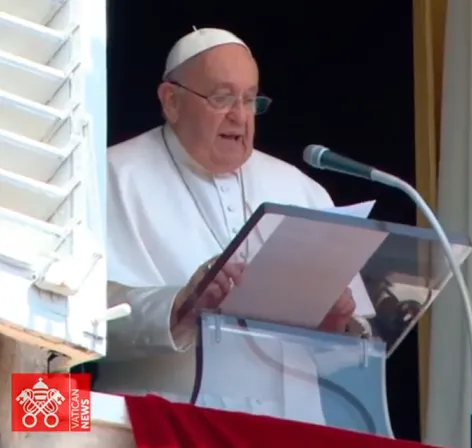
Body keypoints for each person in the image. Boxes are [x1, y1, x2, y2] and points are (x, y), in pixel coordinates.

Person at [96, 27, 369, 426]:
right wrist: (182, 306)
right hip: (164, 425)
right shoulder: (111, 177)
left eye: (249, 99)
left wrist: (336, 324)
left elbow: (350, 348)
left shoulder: (300, 189)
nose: (239, 116)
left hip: (290, 427)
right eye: (222, 98)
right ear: (171, 101)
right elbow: (78, 316)